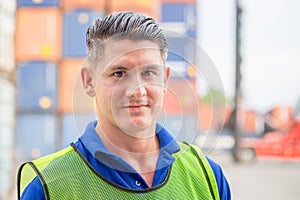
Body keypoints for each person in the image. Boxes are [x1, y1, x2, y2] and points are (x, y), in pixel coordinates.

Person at [18, 12, 231, 199]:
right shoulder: (48, 187)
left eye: (149, 73)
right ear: (89, 81)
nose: (137, 91)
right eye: (119, 74)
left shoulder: (207, 176)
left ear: (165, 80)